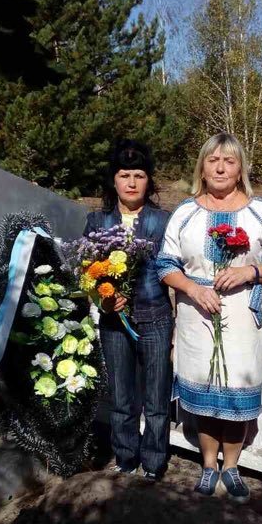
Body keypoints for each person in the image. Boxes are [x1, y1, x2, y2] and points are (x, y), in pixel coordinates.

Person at [156, 133, 262, 502]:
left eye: (229, 161)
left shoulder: (260, 213)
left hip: (242, 316)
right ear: (202, 167)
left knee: (236, 393)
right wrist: (192, 289)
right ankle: (209, 464)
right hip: (196, 314)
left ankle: (232, 466)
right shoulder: (186, 212)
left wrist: (249, 272)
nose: (221, 168)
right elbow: (165, 264)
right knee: (204, 388)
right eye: (213, 160)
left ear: (240, 168)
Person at [84, 140, 172, 480]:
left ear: (148, 180)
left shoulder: (163, 221)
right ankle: (125, 458)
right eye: (124, 175)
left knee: (156, 398)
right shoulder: (97, 220)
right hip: (113, 322)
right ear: (113, 180)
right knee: (121, 397)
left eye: (139, 175)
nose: (132, 183)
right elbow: (88, 273)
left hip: (155, 318)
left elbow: (172, 267)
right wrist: (103, 298)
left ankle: (153, 462)